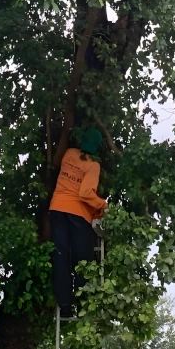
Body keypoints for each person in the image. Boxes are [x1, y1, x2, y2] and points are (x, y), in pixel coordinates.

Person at [49, 128, 107, 318]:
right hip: (78, 214)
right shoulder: (93, 165)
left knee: (61, 257)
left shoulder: (69, 153)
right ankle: (83, 304)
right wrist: (103, 205)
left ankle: (65, 305)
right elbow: (85, 193)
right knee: (83, 260)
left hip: (57, 209)